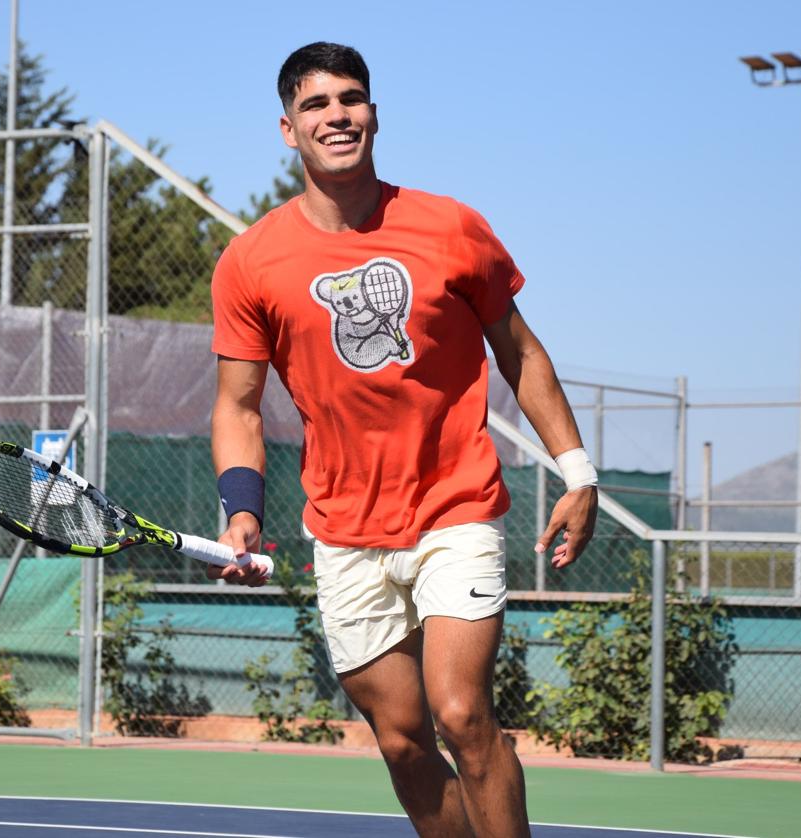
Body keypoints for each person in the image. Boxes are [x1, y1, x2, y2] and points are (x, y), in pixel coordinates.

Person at [207, 41, 598, 837]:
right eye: (316, 105)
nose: (337, 115)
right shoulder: (251, 262)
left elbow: (519, 353)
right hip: (344, 528)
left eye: (350, 99)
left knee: (460, 712)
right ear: (288, 129)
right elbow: (238, 406)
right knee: (402, 739)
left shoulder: (452, 228)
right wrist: (240, 508)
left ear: (374, 114)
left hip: (455, 509)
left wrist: (577, 471)